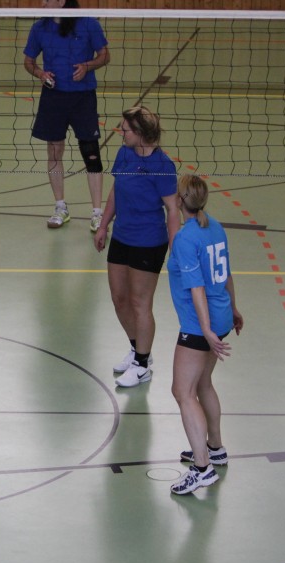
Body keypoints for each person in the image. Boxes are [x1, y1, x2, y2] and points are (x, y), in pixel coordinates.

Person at [165, 174, 244, 495]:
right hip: (221, 315)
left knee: (182, 392)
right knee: (203, 383)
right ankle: (215, 448)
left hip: (199, 326)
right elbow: (227, 274)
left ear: (180, 200)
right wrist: (233, 309)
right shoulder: (215, 227)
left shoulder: (185, 239)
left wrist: (207, 330)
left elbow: (196, 287)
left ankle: (201, 469)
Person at [93, 105, 180, 388]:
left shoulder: (163, 166)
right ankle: (137, 349)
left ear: (141, 133)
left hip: (149, 241)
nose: (121, 133)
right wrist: (103, 225)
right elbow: (115, 191)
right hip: (122, 236)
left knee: (140, 303)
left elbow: (173, 209)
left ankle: (142, 366)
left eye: (126, 129)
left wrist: (175, 247)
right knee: (119, 298)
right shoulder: (124, 153)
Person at [22, 0, 109, 232]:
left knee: (91, 153)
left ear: (61, 1)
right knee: (54, 151)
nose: (42, 3)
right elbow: (28, 62)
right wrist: (40, 73)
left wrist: (87, 66)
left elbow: (104, 56)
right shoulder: (39, 27)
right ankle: (60, 207)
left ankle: (97, 213)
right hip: (53, 97)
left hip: (83, 98)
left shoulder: (89, 24)